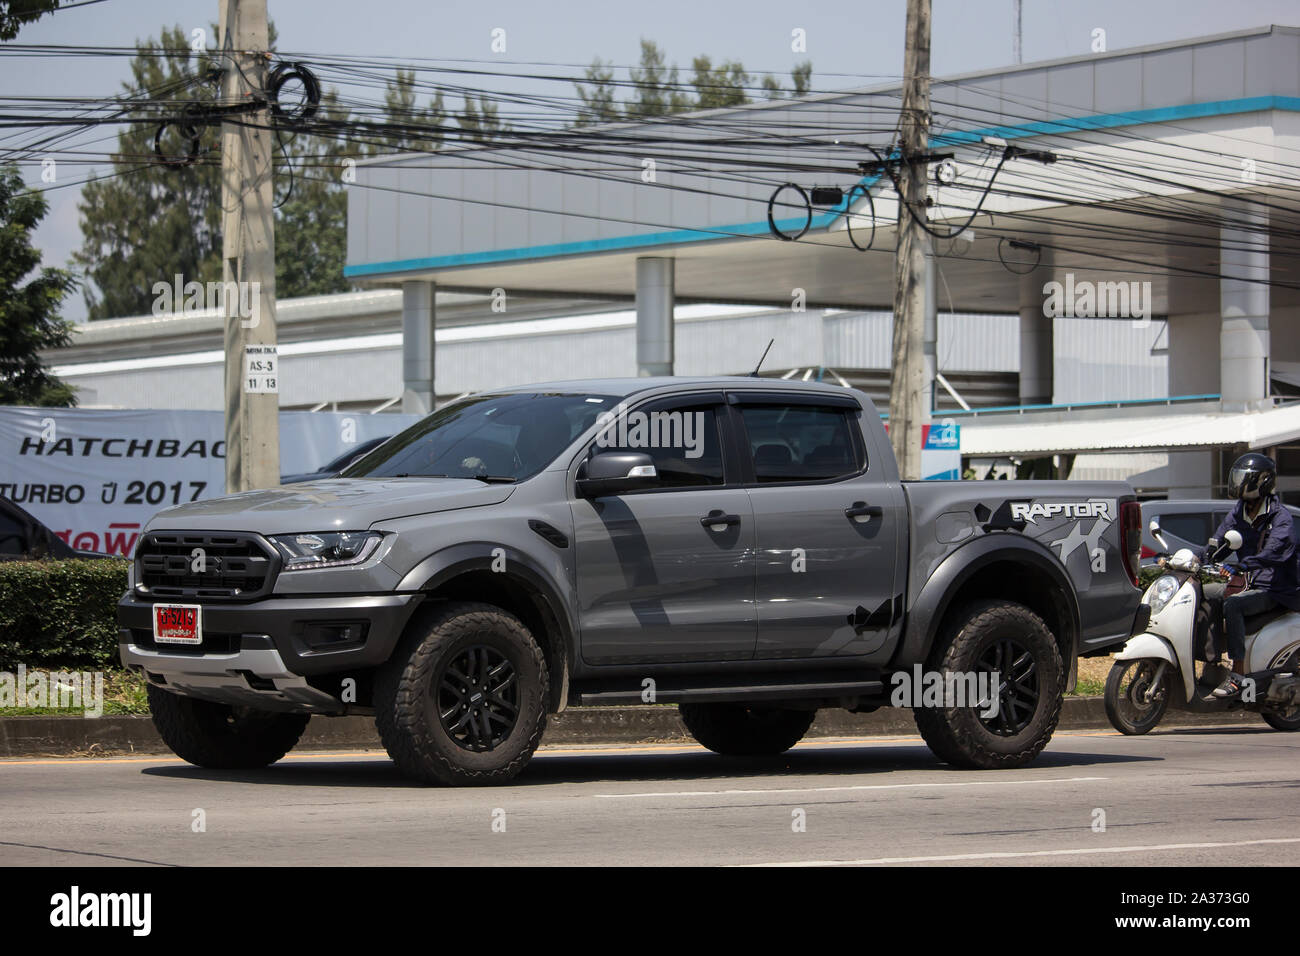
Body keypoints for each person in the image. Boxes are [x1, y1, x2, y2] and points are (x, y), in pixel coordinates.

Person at [1200, 453, 1300, 698]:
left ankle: (1238, 675)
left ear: (1262, 482)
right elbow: (1219, 542)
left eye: (1244, 478)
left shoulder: (1280, 518)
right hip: (1249, 583)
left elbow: (1273, 553)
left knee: (1233, 605)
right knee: (1202, 593)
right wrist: (1196, 558)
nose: (1238, 483)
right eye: (1237, 477)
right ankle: (1211, 665)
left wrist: (1241, 566)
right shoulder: (1239, 512)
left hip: (1277, 590)